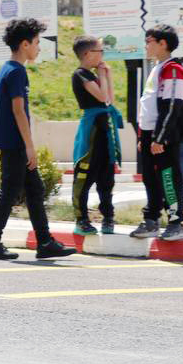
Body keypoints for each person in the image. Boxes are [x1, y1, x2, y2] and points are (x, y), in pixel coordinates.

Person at [0, 18, 77, 261]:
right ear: (24, 44)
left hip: (10, 141)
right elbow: (18, 110)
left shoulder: (6, 70)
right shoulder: (17, 72)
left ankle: (44, 242)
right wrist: (29, 146)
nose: (38, 48)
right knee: (10, 191)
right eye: (36, 43)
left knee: (35, 189)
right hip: (14, 143)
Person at [130, 25, 183, 240]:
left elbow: (172, 106)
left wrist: (160, 138)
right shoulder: (157, 67)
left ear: (163, 43)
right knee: (150, 179)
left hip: (164, 135)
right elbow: (148, 106)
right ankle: (151, 220)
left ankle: (175, 223)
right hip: (149, 135)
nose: (145, 45)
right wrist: (143, 138)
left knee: (168, 178)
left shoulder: (174, 69)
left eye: (149, 40)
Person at [70, 35, 121, 235]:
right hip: (91, 130)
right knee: (85, 174)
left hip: (105, 130)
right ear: (87, 54)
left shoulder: (93, 74)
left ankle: (108, 216)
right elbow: (104, 97)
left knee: (106, 176)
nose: (102, 54)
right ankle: (81, 219)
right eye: (99, 50)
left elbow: (110, 100)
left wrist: (106, 76)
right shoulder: (81, 74)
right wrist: (102, 75)